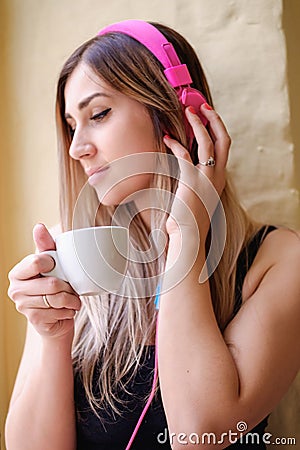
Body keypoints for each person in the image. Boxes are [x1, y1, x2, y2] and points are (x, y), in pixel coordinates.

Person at [5, 19, 300, 450]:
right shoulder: (74, 257)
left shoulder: (277, 259)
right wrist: (51, 333)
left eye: (99, 114)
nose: (76, 147)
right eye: (72, 125)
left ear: (180, 113)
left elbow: (200, 434)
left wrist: (186, 234)